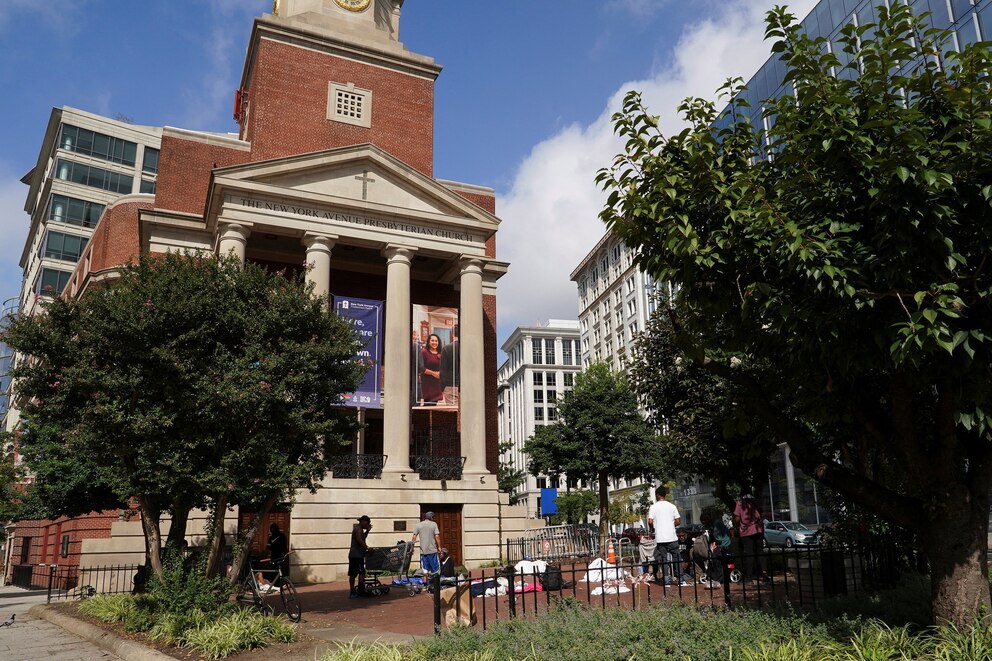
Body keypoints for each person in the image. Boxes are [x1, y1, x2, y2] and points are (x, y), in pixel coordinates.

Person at [647, 485, 681, 585]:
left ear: (657, 495)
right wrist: (671, 524)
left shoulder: (653, 507)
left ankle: (666, 580)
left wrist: (653, 527)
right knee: (676, 557)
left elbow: (650, 521)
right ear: (665, 495)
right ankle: (680, 578)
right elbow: (678, 521)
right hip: (672, 537)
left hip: (661, 538)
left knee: (663, 559)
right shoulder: (672, 506)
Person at [734, 493, 770, 583]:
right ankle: (765, 574)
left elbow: (737, 519)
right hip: (758, 529)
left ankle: (749, 577)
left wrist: (737, 522)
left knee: (750, 554)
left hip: (747, 531)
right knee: (760, 552)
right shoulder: (755, 502)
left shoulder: (740, 503)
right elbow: (761, 514)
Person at [411, 510, 442, 585]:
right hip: (432, 551)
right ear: (431, 517)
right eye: (433, 517)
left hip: (423, 552)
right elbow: (437, 536)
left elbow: (414, 536)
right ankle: (436, 586)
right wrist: (439, 547)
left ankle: (425, 585)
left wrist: (412, 547)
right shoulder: (434, 524)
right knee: (436, 570)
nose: (433, 518)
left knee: (425, 570)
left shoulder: (419, 525)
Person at [348, 515, 372, 598]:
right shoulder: (358, 529)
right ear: (363, 521)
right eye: (367, 523)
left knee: (358, 573)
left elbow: (362, 538)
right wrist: (367, 548)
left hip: (357, 555)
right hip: (356, 555)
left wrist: (367, 531)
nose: (368, 525)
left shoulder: (359, 529)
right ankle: (357, 591)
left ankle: (356, 591)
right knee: (357, 573)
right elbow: (359, 540)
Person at [419, 333, 444, 404]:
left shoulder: (441, 353)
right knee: (428, 405)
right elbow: (421, 368)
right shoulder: (424, 352)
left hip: (437, 383)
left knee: (434, 404)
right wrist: (433, 373)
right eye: (432, 340)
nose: (434, 343)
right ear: (429, 342)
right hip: (427, 383)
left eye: (436, 341)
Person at [440, 324, 460, 406]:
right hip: (467, 386)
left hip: (450, 385)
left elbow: (443, 370)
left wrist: (442, 387)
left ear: (452, 334)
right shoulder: (469, 348)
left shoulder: (446, 348)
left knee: (455, 415)